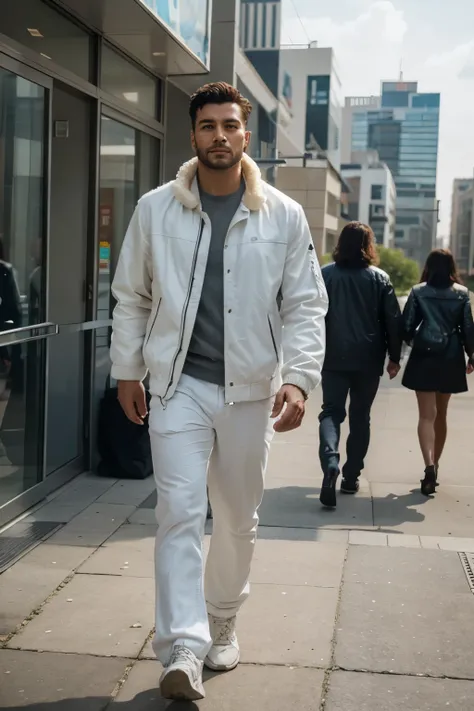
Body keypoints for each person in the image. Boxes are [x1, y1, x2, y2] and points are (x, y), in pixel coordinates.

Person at [110, 81, 328, 701]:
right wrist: (128, 369)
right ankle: (183, 642)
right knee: (178, 512)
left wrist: (298, 378)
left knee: (235, 517)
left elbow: (307, 306)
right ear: (192, 135)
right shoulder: (155, 209)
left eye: (230, 125)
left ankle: (224, 615)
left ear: (245, 133)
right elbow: (132, 295)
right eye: (208, 126)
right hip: (176, 387)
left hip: (251, 393)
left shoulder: (282, 214)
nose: (220, 137)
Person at [318, 222, 402, 508]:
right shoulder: (380, 279)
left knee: (331, 412)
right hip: (368, 359)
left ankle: (330, 462)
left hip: (333, 356)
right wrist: (394, 357)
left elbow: (312, 314)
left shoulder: (325, 275)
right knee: (361, 417)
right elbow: (393, 320)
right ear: (369, 245)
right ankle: (351, 475)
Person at [402, 249, 474, 496]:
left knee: (426, 416)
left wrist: (411, 344)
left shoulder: (418, 291)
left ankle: (428, 466)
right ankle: (436, 466)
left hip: (424, 355)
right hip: (451, 357)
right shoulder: (462, 294)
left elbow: (407, 326)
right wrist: (471, 355)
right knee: (442, 414)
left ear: (429, 267)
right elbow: (467, 328)